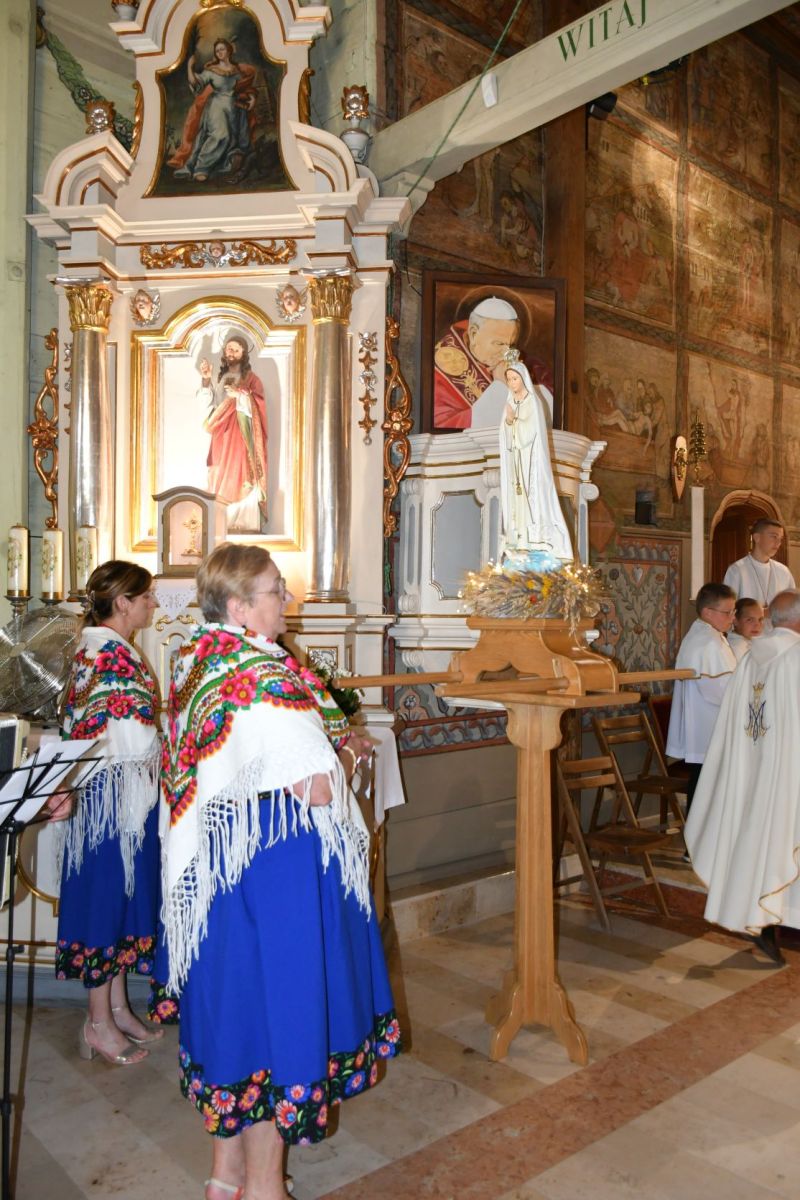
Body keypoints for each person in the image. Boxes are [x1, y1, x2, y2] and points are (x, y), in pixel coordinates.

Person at [160, 543, 401, 1200]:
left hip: (220, 867)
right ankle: (266, 1189)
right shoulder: (262, 675)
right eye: (275, 589)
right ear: (240, 606)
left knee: (236, 1012)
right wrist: (348, 761)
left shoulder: (197, 663)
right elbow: (318, 788)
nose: (286, 598)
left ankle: (224, 1178)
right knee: (279, 1018)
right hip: (277, 868)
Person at [55, 561, 163, 1065]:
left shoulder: (97, 646)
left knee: (120, 901)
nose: (153, 604)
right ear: (123, 602)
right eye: (146, 597)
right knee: (106, 903)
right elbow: (134, 736)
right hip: (112, 798)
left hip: (113, 793)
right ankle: (97, 1021)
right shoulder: (111, 654)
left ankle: (117, 1007)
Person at [685, 589, 800, 966]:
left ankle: (762, 920)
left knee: (758, 839)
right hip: (787, 770)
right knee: (783, 839)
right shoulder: (795, 657)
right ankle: (781, 918)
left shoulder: (750, 657)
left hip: (751, 769)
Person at [666, 583, 737, 815]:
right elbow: (716, 689)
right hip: (708, 723)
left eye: (734, 611)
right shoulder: (707, 642)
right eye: (728, 612)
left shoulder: (706, 635)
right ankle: (697, 834)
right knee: (705, 785)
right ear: (707, 612)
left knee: (704, 781)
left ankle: (698, 833)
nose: (733, 618)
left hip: (707, 723)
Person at [434, 296, 552, 430]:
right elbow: (447, 428)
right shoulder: (439, 371)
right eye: (499, 343)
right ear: (473, 334)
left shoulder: (527, 363)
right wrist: (500, 385)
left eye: (511, 344)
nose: (506, 352)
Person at [498, 354, 572, 561]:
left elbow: (531, 431)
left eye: (515, 378)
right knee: (517, 501)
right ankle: (519, 540)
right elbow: (505, 434)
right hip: (516, 462)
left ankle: (534, 539)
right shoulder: (510, 402)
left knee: (532, 499)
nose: (512, 383)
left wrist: (514, 421)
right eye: (509, 379)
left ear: (523, 378)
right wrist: (509, 422)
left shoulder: (532, 401)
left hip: (530, 463)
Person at [198, 335, 268, 533]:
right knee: (218, 474)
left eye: (236, 350)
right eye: (229, 349)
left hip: (240, 436)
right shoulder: (219, 378)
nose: (231, 353)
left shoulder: (252, 380)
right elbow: (209, 407)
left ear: (244, 354)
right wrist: (206, 380)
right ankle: (220, 521)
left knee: (241, 473)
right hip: (221, 435)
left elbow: (259, 408)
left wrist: (241, 397)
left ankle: (242, 521)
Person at [169, 39, 257, 183]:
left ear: (228, 50)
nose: (219, 52)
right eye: (217, 51)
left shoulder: (236, 70)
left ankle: (219, 165)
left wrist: (252, 97)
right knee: (221, 135)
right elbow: (196, 84)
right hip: (216, 107)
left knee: (232, 140)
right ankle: (201, 168)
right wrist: (189, 67)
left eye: (222, 49)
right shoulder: (211, 70)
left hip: (233, 108)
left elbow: (244, 88)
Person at [723, 519, 795, 609]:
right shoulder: (737, 570)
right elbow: (728, 608)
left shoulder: (784, 571)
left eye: (780, 538)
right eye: (774, 537)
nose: (778, 543)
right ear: (757, 537)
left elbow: (793, 606)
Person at [727, 597, 765, 661]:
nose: (757, 625)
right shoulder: (735, 649)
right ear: (735, 621)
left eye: (760, 619)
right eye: (750, 620)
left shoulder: (752, 641)